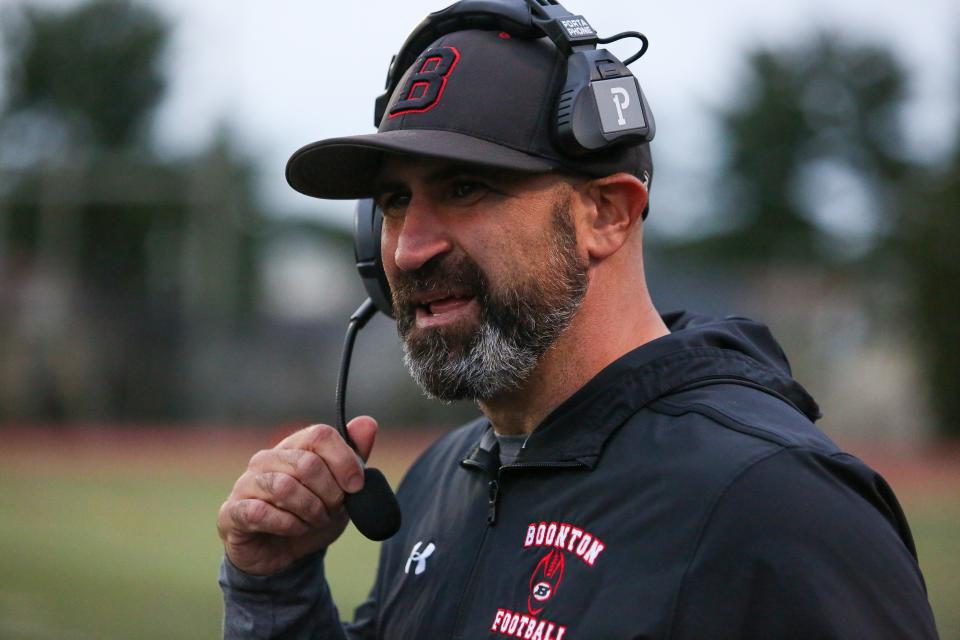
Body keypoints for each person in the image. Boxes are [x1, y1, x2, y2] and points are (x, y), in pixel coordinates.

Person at [217, 6, 939, 639]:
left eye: (465, 188)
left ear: (607, 214)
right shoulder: (442, 478)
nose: (408, 248)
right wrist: (275, 590)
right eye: (395, 201)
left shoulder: (775, 504)